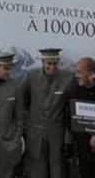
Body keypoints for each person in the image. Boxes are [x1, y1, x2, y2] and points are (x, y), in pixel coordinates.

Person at [22, 48, 72, 178]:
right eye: (49, 63)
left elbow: (69, 109)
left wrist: (67, 137)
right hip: (35, 132)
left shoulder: (67, 78)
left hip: (57, 132)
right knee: (37, 166)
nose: (52, 67)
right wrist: (26, 125)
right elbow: (23, 102)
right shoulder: (31, 77)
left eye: (55, 63)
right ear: (43, 62)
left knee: (57, 166)